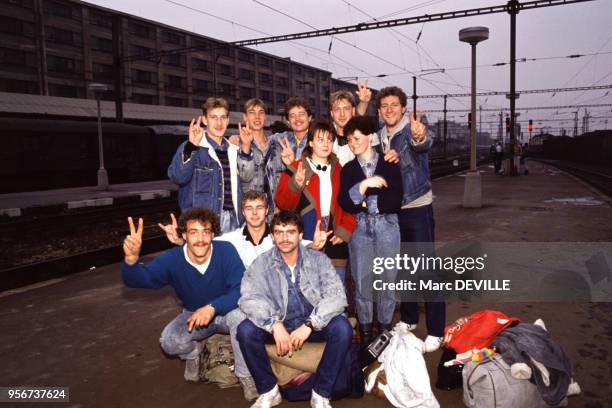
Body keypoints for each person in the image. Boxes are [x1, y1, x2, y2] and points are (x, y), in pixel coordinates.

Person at [120, 208, 258, 401]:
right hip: (193, 315)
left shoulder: (225, 250)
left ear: (212, 235)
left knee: (242, 320)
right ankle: (194, 353)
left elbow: (240, 289)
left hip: (227, 312)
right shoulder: (173, 259)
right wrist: (131, 261)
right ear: (184, 235)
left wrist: (212, 307)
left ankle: (245, 376)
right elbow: (143, 279)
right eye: (194, 232)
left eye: (206, 232)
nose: (200, 238)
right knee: (169, 342)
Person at [237, 210, 353, 408]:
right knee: (245, 330)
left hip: (313, 325)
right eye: (279, 233)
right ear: (272, 236)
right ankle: (269, 390)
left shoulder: (318, 260)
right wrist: (274, 324)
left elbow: (336, 296)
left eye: (290, 232)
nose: (284, 238)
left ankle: (321, 392)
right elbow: (249, 298)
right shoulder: (261, 264)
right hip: (280, 324)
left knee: (342, 327)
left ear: (300, 235)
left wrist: (311, 323)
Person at [376, 86, 445, 353]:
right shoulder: (380, 135)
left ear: (404, 108)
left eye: (394, 104)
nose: (390, 109)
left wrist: (420, 135)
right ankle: (409, 319)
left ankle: (437, 330)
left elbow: (423, 142)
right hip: (394, 210)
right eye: (385, 106)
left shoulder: (411, 129)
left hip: (416, 205)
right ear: (380, 110)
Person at [338, 115, 403, 348]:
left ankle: (384, 329)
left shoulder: (389, 163)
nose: (353, 143)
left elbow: (397, 198)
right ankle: (366, 333)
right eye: (349, 140)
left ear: (369, 137)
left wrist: (369, 203)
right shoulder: (348, 169)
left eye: (356, 138)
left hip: (387, 225)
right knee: (362, 280)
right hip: (360, 229)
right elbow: (345, 201)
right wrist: (366, 185)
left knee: (387, 280)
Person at [158, 190, 330, 268]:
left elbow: (300, 243)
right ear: (242, 212)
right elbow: (202, 242)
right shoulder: (231, 239)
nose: (254, 213)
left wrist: (315, 245)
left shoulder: (278, 236)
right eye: (249, 208)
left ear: (267, 210)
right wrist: (181, 240)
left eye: (259, 207)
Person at [275, 120, 355, 283]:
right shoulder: (296, 167)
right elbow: (283, 205)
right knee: (307, 290)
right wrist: (296, 185)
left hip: (334, 239)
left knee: (336, 293)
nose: (326, 144)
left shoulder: (341, 169)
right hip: (306, 238)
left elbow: (349, 203)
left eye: (329, 139)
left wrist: (344, 230)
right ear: (310, 142)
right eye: (320, 139)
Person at [168, 97, 254, 233]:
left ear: (227, 120)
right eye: (213, 117)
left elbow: (247, 177)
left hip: (234, 221)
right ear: (204, 120)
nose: (219, 123)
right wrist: (192, 146)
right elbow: (178, 177)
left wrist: (246, 148)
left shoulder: (233, 149)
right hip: (203, 224)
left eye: (223, 117)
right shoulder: (192, 147)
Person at [329, 81, 379, 166]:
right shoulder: (325, 137)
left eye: (346, 108)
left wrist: (364, 103)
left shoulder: (368, 136)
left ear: (353, 111)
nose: (342, 114)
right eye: (337, 109)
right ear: (331, 113)